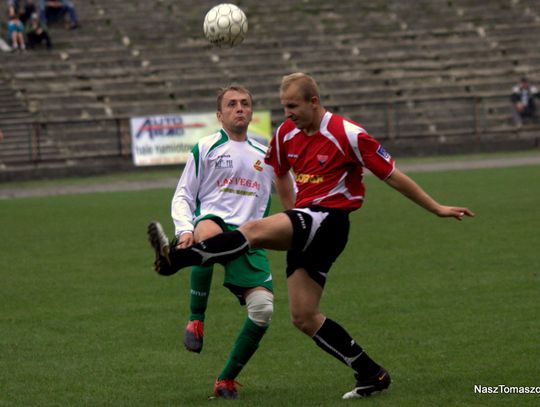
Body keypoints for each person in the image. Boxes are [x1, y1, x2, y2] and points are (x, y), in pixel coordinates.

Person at [148, 72, 475, 399]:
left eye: (293, 106)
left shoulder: (347, 133)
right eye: (283, 106)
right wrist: (292, 213)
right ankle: (370, 373)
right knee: (304, 316)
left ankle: (174, 259)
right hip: (307, 220)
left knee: (253, 232)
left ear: (313, 102)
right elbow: (280, 173)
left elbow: (392, 176)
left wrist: (436, 208)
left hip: (331, 220)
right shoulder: (285, 134)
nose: (286, 113)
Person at [149, 86, 288, 399]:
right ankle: (196, 320)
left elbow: (289, 191)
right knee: (208, 235)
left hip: (251, 237)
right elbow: (184, 194)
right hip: (213, 223)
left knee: (263, 310)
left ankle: (225, 379)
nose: (239, 108)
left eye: (245, 104)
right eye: (231, 104)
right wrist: (185, 229)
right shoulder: (206, 147)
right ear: (219, 114)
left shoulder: (265, 154)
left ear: (251, 112)